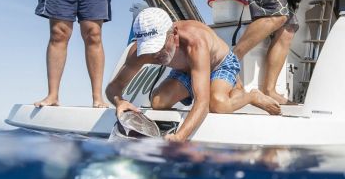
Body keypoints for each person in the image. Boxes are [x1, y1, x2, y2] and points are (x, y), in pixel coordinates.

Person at [106, 8, 281, 142]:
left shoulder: (195, 42)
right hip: (187, 70)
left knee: (217, 104)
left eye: (160, 46)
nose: (156, 54)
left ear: (174, 34)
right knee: (158, 102)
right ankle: (206, 85)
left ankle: (250, 96)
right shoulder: (141, 53)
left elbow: (202, 103)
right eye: (150, 48)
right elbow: (113, 88)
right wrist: (119, 101)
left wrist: (179, 137)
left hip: (219, 64)